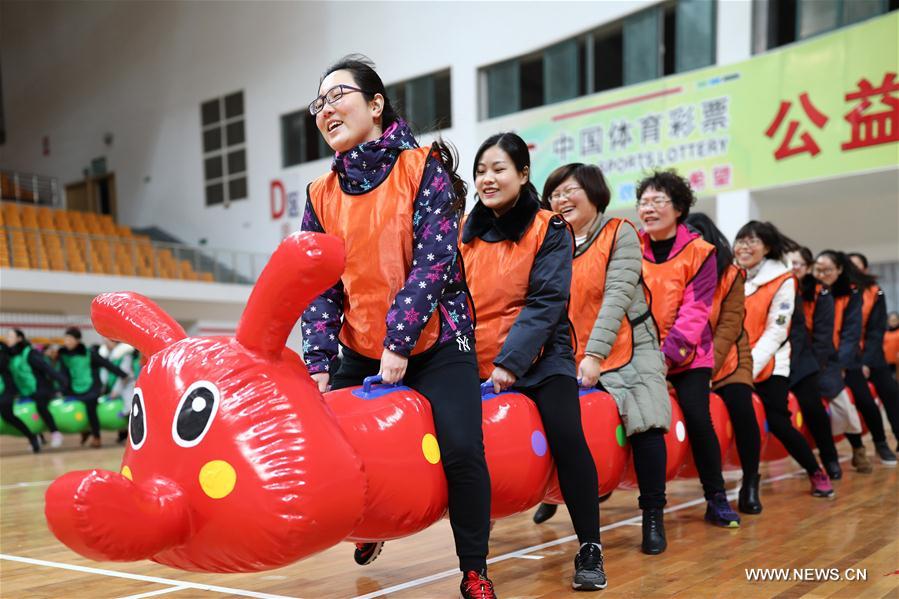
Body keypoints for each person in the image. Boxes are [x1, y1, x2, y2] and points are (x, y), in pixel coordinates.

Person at [299, 55, 494, 599]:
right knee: (338, 450)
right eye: (319, 103)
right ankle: (371, 528)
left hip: (437, 337)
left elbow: (435, 261)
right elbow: (320, 284)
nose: (327, 109)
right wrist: (318, 364)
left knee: (461, 449)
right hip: (360, 344)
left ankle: (475, 567)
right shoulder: (319, 195)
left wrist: (399, 341)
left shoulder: (421, 166)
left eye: (338, 95)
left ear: (376, 104)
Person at [460, 134, 606, 590]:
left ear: (523, 175)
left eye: (499, 168)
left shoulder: (551, 228)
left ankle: (589, 548)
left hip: (542, 358)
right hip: (476, 358)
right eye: (481, 169)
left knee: (567, 435)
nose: (488, 178)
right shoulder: (464, 233)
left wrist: (510, 363)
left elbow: (546, 302)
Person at [536, 162, 669, 555]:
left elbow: (616, 297)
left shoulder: (619, 232)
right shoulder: (548, 240)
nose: (561, 199)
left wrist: (594, 355)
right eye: (555, 193)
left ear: (595, 194)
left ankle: (652, 514)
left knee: (646, 420)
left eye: (570, 190)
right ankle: (551, 494)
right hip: (571, 349)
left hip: (630, 345)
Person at [636, 170, 740, 528]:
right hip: (638, 353)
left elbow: (695, 311)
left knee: (698, 417)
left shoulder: (700, 252)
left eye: (658, 201)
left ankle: (716, 496)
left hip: (688, 356)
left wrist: (665, 359)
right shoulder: (630, 247)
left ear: (679, 208)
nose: (648, 209)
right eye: (644, 202)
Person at [733, 222, 834, 498]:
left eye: (752, 241)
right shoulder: (731, 274)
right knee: (741, 418)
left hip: (770, 361)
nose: (744, 246)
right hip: (733, 361)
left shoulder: (783, 279)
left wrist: (748, 366)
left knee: (777, 421)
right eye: (740, 240)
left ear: (767, 247)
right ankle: (749, 481)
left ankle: (815, 470)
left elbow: (777, 331)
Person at [684, 213, 762, 514]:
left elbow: (729, 326)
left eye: (697, 235)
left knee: (741, 408)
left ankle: (751, 480)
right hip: (687, 355)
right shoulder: (679, 269)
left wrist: (709, 369)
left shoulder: (730, 274)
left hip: (728, 356)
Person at [814, 250, 897, 468]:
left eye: (828, 270)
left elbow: (853, 334)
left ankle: (881, 442)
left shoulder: (856, 294)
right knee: (839, 402)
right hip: (821, 359)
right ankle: (856, 447)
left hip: (850, 358)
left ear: (840, 270)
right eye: (819, 269)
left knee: (865, 399)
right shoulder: (812, 292)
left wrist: (842, 364)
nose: (823, 274)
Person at [784, 247, 842, 480]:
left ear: (808, 268)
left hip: (808, 361)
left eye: (798, 264)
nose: (793, 268)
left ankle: (830, 458)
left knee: (813, 408)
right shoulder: (778, 285)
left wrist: (815, 368)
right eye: (790, 263)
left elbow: (822, 338)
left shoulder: (820, 292)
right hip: (776, 360)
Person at [848, 252, 899, 452]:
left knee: (890, 391)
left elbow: (876, 331)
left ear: (865, 270)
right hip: (847, 356)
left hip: (872, 354)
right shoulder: (837, 293)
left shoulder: (875, 292)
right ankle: (878, 443)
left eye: (857, 266)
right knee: (863, 399)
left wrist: (866, 361)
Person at [57, 327, 129, 448]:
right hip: (74, 388)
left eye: (70, 339)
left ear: (77, 340)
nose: (67, 342)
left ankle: (96, 437)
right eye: (66, 339)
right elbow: (62, 373)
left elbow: (106, 364)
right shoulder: (64, 355)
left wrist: (123, 375)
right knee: (77, 407)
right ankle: (85, 431)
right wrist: (62, 389)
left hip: (92, 388)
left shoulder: (89, 353)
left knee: (91, 406)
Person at [6, 329, 68, 448]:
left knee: (41, 406)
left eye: (10, 336)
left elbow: (46, 368)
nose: (8, 338)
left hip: (41, 387)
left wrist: (62, 381)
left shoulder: (30, 353)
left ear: (19, 339)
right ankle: (38, 437)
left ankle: (55, 433)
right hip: (25, 390)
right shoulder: (12, 355)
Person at [0, 342, 41, 453]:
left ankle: (32, 436)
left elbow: (4, 364)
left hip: (6, 389)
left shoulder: (3, 349)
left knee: (7, 415)